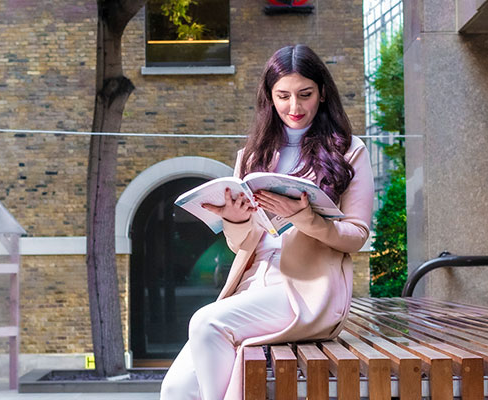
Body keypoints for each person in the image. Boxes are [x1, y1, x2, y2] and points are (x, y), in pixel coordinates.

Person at [159, 44, 376, 400]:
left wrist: (305, 218)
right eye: (283, 96)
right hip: (251, 285)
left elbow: (356, 236)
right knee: (176, 388)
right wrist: (235, 220)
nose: (295, 107)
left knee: (206, 322)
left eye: (305, 94)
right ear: (269, 98)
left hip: (309, 289)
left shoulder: (349, 151)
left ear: (322, 94)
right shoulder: (252, 155)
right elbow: (240, 245)